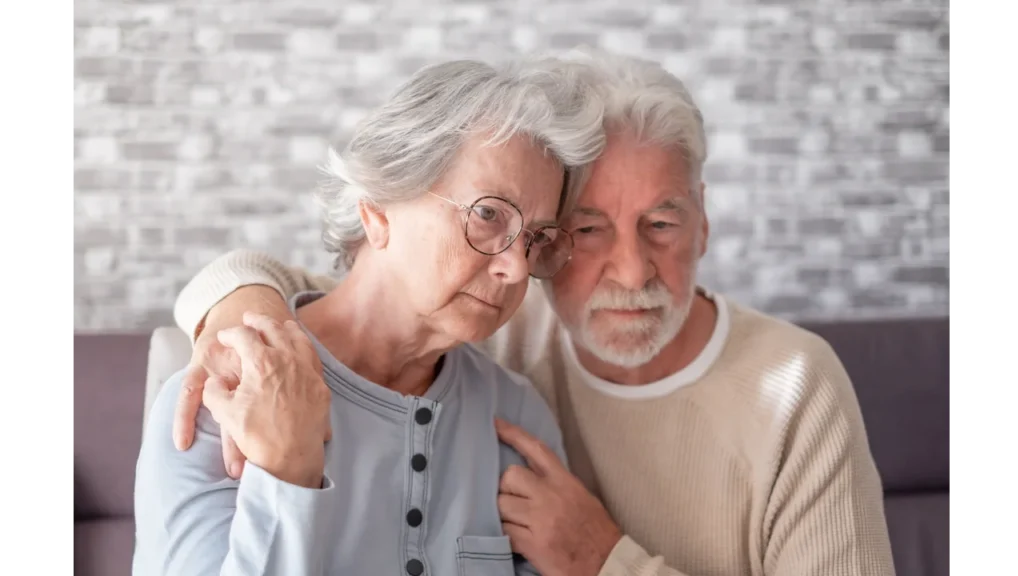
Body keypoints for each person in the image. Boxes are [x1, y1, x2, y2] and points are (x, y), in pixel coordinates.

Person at [170, 51, 896, 576]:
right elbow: (355, 288)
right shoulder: (494, 316)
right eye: (583, 231)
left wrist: (607, 564)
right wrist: (250, 321)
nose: (633, 270)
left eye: (662, 224)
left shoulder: (797, 386)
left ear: (702, 221)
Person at [133, 57, 610, 576]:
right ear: (377, 210)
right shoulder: (222, 399)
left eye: (537, 238)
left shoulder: (517, 417)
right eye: (489, 215)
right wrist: (288, 473)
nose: (517, 267)